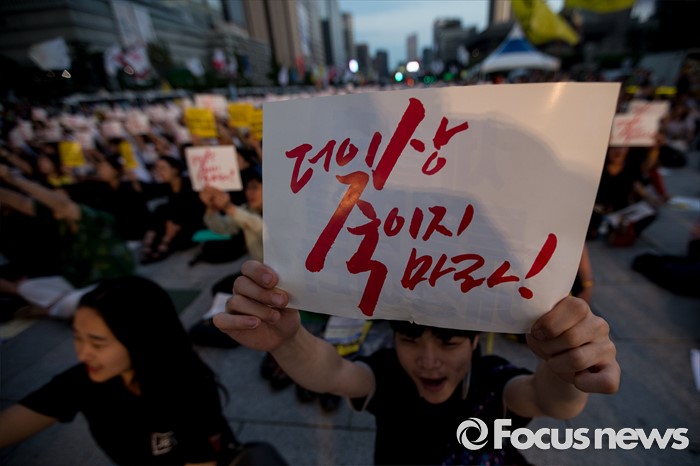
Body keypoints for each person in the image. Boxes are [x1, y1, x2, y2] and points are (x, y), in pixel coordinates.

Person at [214, 260, 621, 465]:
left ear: (474, 341)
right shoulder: (388, 372)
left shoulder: (492, 382)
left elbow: (551, 401)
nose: (428, 361)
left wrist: (565, 366)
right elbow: (334, 373)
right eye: (409, 340)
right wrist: (288, 341)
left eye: (449, 343)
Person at [0, 276, 238, 465]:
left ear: (140, 340)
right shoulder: (85, 379)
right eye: (78, 338)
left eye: (97, 344)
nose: (83, 354)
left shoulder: (188, 390)